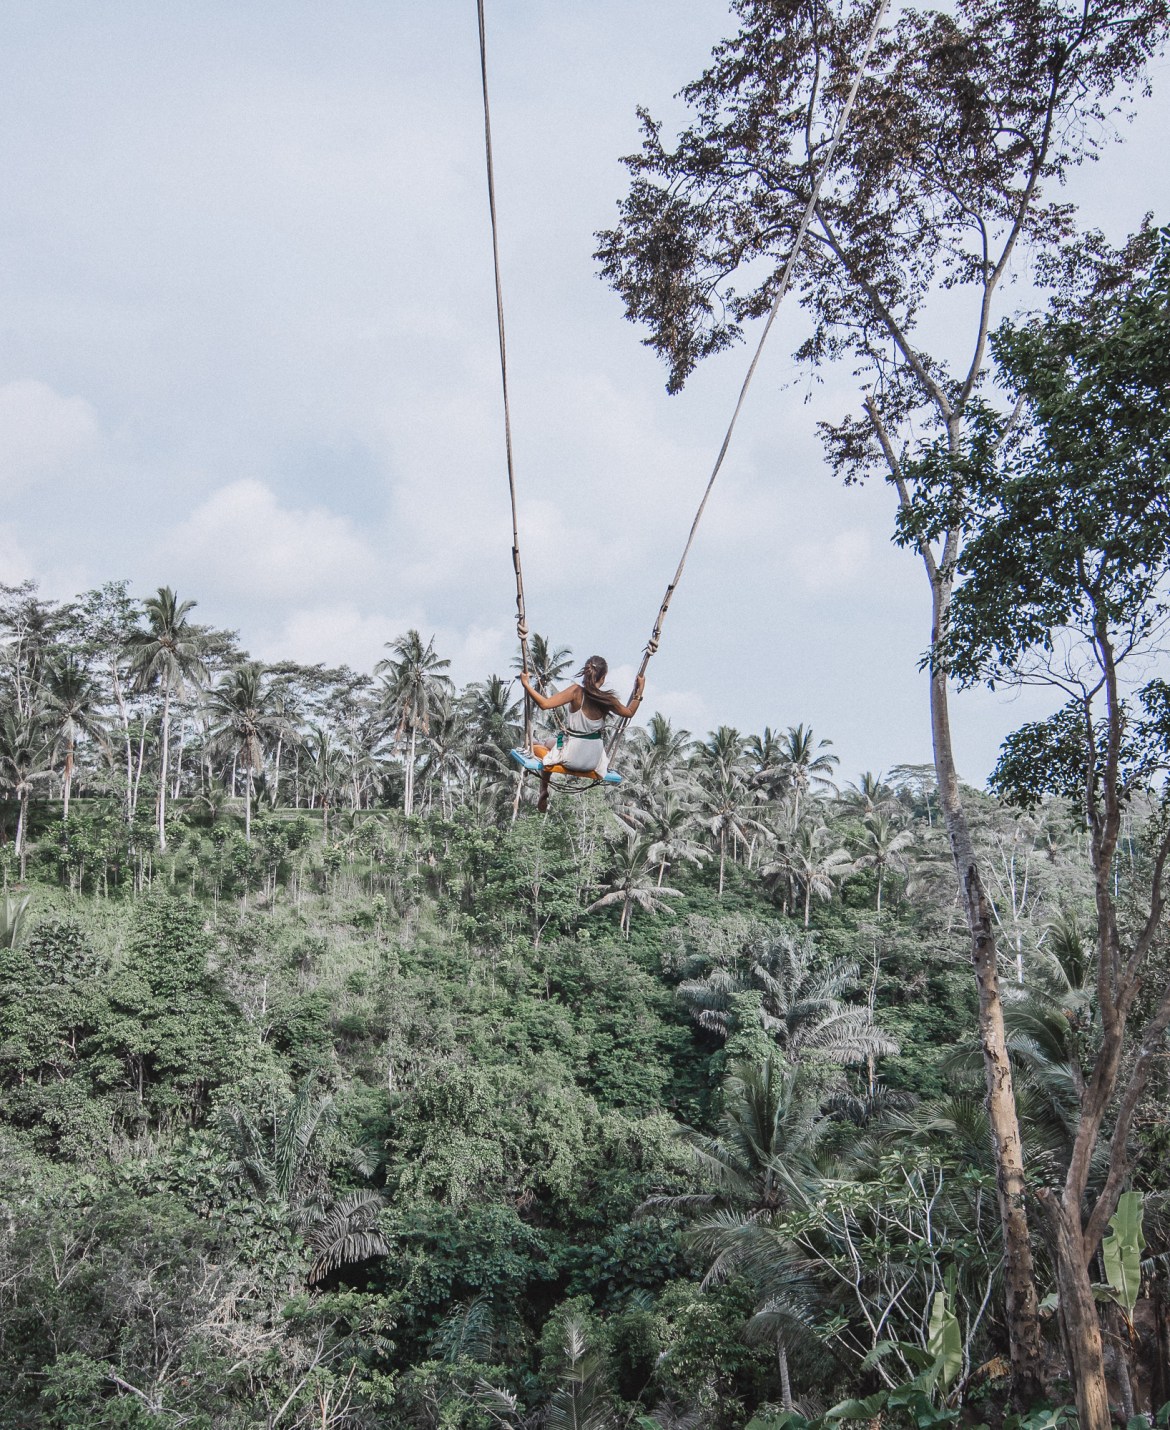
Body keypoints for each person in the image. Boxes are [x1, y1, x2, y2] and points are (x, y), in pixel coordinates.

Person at [518, 656, 645, 812]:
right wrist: (639, 691)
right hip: (594, 760)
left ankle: (543, 789)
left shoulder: (576, 692)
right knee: (553, 742)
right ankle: (544, 785)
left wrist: (526, 684)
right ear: (603, 678)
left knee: (538, 746)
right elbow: (629, 712)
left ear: (585, 673)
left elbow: (544, 704)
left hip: (572, 755)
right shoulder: (607, 699)